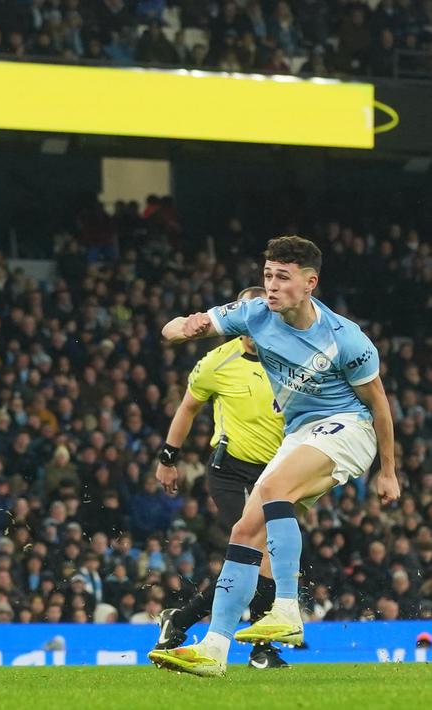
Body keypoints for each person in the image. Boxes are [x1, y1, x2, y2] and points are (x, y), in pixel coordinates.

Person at [152, 236, 400, 677]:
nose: (271, 285)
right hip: (300, 432)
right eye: (268, 275)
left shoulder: (345, 338)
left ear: (309, 283)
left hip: (349, 426)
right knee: (246, 530)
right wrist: (184, 326)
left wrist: (388, 471)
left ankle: (286, 607)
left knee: (272, 489)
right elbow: (173, 329)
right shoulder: (253, 314)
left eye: (283, 277)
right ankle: (214, 648)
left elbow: (379, 404)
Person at [151, 286, 289, 669]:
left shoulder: (289, 358)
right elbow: (187, 408)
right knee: (262, 554)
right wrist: (167, 458)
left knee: (257, 561)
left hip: (277, 472)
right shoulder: (217, 362)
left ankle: (179, 620)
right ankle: (261, 647)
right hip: (232, 472)